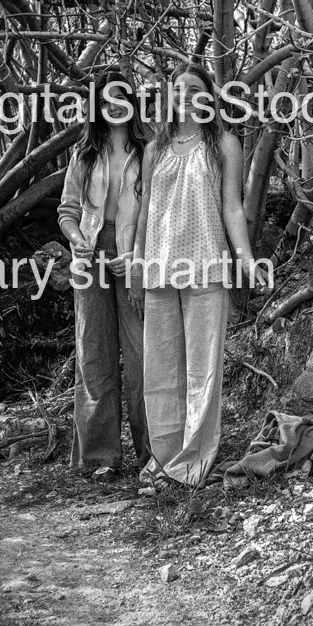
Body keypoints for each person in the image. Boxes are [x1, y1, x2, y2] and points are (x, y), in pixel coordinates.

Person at [131, 63, 270, 488]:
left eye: (196, 89)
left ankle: (191, 464)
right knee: (160, 371)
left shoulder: (225, 144)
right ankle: (164, 459)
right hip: (158, 267)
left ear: (209, 97)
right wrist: (137, 263)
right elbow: (145, 212)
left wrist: (245, 257)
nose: (187, 95)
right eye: (179, 89)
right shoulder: (155, 148)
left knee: (202, 371)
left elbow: (232, 207)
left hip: (206, 264)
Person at [58, 70, 150, 478]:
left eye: (122, 96)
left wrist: (134, 256)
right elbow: (67, 211)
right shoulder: (84, 153)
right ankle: (100, 457)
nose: (115, 105)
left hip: (134, 257)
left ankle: (154, 454)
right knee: (93, 355)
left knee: (141, 355)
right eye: (106, 98)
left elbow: (155, 209)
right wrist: (77, 239)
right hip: (89, 258)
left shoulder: (149, 150)